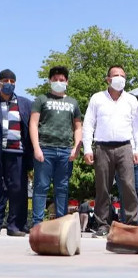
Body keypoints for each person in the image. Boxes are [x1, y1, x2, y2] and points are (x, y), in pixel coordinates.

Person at [82, 65, 138, 236]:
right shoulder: (97, 98)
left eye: (123, 76)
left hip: (125, 147)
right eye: (116, 75)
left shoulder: (131, 100)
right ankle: (102, 224)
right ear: (108, 79)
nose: (120, 78)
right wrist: (87, 148)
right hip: (102, 147)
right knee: (102, 188)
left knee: (128, 186)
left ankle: (131, 224)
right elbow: (88, 124)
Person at [29, 66, 83, 226]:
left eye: (62, 80)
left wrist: (76, 148)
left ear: (66, 81)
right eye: (55, 79)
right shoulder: (41, 99)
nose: (58, 82)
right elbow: (33, 124)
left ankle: (61, 224)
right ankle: (37, 224)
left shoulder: (73, 102)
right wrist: (36, 148)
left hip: (66, 151)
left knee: (62, 188)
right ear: (50, 81)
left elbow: (78, 127)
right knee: (41, 187)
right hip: (45, 148)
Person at [0, 68, 32, 236]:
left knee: (18, 189)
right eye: (5, 81)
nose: (8, 84)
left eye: (12, 82)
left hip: (17, 152)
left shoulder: (24, 103)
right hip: (1, 151)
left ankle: (15, 225)